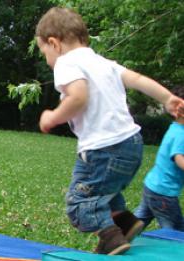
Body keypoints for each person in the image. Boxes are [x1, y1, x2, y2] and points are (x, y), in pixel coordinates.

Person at [35, 7, 184, 255]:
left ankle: (111, 237)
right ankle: (125, 223)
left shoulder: (65, 63)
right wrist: (167, 98)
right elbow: (136, 79)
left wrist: (52, 117)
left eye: (44, 53)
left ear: (54, 43)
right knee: (104, 191)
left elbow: (78, 97)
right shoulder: (102, 61)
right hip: (132, 145)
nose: (47, 59)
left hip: (103, 149)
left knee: (79, 201)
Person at [134, 86, 184, 231]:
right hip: (164, 193)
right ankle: (172, 250)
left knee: (138, 221)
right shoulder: (181, 134)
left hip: (152, 186)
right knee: (175, 230)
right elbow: (178, 157)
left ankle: (118, 238)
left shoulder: (175, 128)